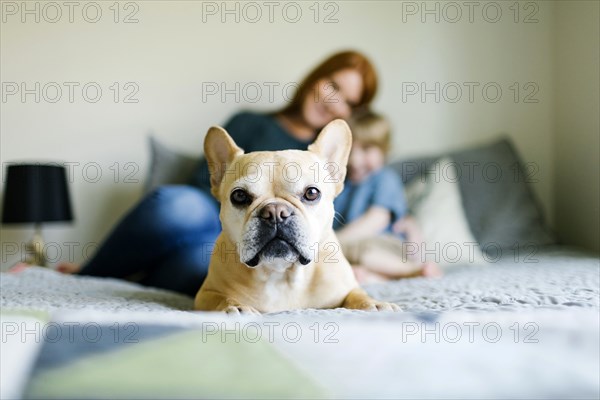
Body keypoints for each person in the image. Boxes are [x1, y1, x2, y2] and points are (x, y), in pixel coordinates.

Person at [57, 50, 379, 296]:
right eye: (332, 86)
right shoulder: (251, 123)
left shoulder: (336, 161)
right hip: (212, 218)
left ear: (353, 113)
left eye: (347, 101)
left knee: (194, 264)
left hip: (248, 256)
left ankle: (135, 278)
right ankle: (86, 274)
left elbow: (339, 227)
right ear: (316, 78)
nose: (333, 101)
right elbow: (202, 185)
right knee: (177, 205)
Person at [333, 110, 442, 283]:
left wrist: (332, 241)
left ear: (384, 150)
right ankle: (372, 277)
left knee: (365, 254)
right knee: (339, 265)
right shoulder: (340, 184)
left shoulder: (384, 178)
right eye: (349, 150)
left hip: (384, 245)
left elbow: (377, 219)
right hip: (348, 246)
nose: (355, 159)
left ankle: (412, 270)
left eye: (366, 149)